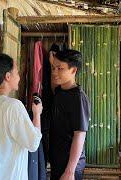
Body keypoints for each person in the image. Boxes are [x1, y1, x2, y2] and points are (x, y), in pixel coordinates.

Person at [0, 53, 43, 180]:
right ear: (7, 76)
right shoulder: (13, 106)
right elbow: (33, 143)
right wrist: (37, 114)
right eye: (17, 73)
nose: (19, 77)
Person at [49, 49, 90, 180]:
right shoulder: (60, 89)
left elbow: (80, 134)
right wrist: (54, 62)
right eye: (53, 68)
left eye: (60, 69)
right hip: (58, 159)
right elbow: (53, 83)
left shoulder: (78, 98)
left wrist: (70, 171)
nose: (54, 72)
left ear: (73, 70)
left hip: (70, 164)